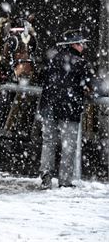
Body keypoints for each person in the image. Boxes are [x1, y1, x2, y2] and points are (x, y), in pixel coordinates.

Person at [38, 30, 94, 189]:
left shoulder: (52, 59)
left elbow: (41, 78)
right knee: (68, 145)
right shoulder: (81, 63)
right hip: (70, 110)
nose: (83, 46)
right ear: (73, 45)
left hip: (49, 107)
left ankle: (46, 175)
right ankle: (64, 181)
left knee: (48, 142)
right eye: (81, 43)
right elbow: (93, 86)